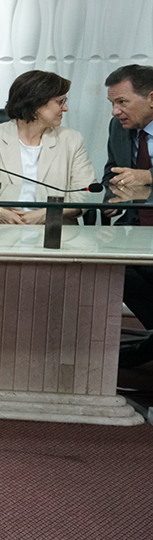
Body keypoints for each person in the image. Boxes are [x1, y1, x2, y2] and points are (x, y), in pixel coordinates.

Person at [0, 70, 95, 224]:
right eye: (60, 102)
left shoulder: (71, 140)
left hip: (52, 224)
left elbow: (86, 193)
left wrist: (46, 214)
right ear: (37, 104)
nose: (65, 108)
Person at [103, 64, 153, 368]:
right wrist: (111, 193)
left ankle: (141, 350)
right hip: (133, 229)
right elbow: (113, 169)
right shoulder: (118, 129)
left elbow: (141, 176)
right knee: (108, 268)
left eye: (122, 102)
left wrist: (147, 175)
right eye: (112, 103)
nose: (115, 112)